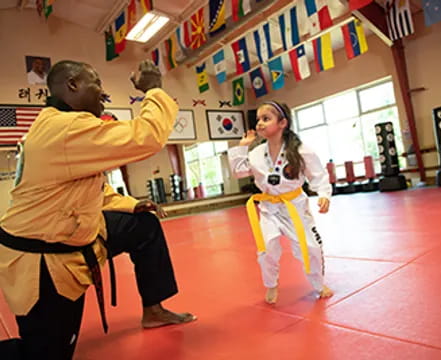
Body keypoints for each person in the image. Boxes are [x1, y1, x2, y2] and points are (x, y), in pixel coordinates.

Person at [0, 59, 195, 360]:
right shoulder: (67, 128)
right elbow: (147, 137)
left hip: (73, 225)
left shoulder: (58, 125)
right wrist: (153, 90)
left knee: (143, 226)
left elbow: (89, 187)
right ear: (73, 85)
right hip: (42, 256)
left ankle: (153, 309)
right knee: (43, 354)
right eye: (97, 84)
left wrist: (132, 204)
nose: (103, 93)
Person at [228, 101, 333, 304]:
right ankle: (271, 285)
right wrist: (242, 147)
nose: (259, 124)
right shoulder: (256, 153)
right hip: (269, 208)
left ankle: (319, 284)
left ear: (283, 123)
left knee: (310, 248)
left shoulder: (302, 151)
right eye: (258, 119)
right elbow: (239, 171)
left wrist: (324, 195)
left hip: (295, 206)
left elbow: (319, 176)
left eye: (266, 119)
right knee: (266, 248)